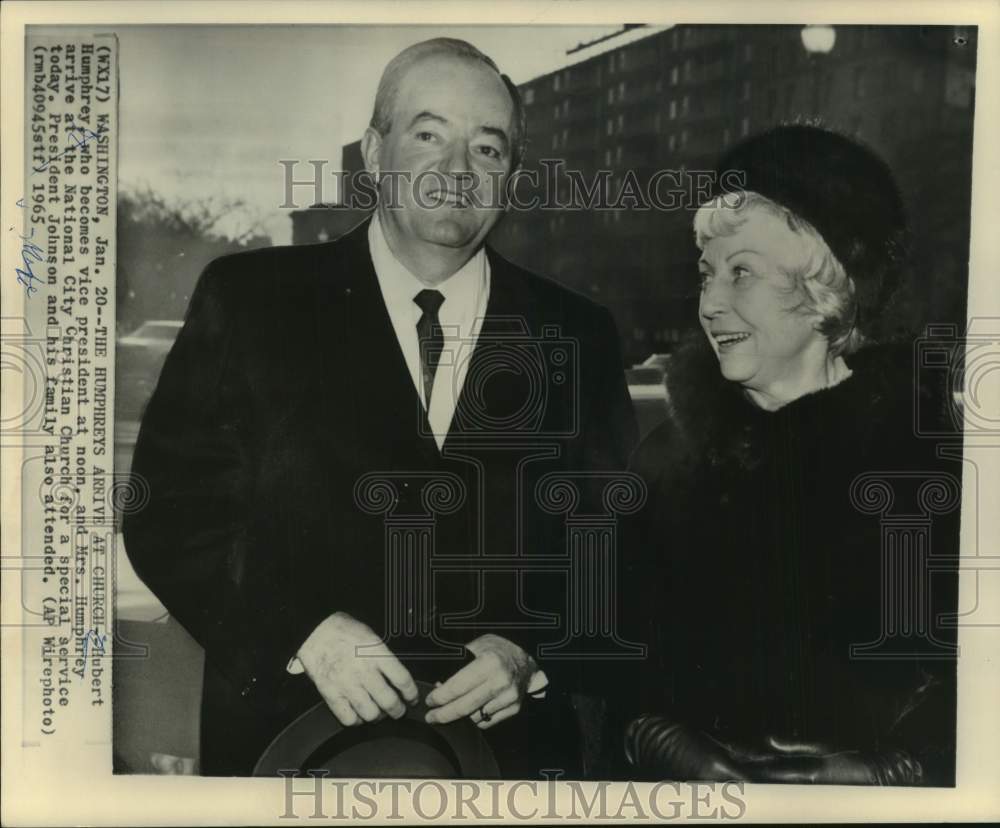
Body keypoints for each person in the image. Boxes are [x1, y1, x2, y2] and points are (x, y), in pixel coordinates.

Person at [123, 37, 638, 777]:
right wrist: (303, 632)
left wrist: (531, 649)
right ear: (374, 151)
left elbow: (616, 542)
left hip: (507, 767)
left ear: (511, 177)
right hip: (293, 752)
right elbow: (168, 512)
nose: (458, 171)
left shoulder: (578, 333)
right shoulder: (251, 302)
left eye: (487, 149)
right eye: (429, 135)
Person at [619, 125, 960, 785]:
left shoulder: (932, 468)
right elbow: (608, 658)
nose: (711, 303)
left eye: (741, 271)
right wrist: (653, 738)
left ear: (828, 287)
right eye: (706, 273)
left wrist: (894, 769)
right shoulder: (666, 463)